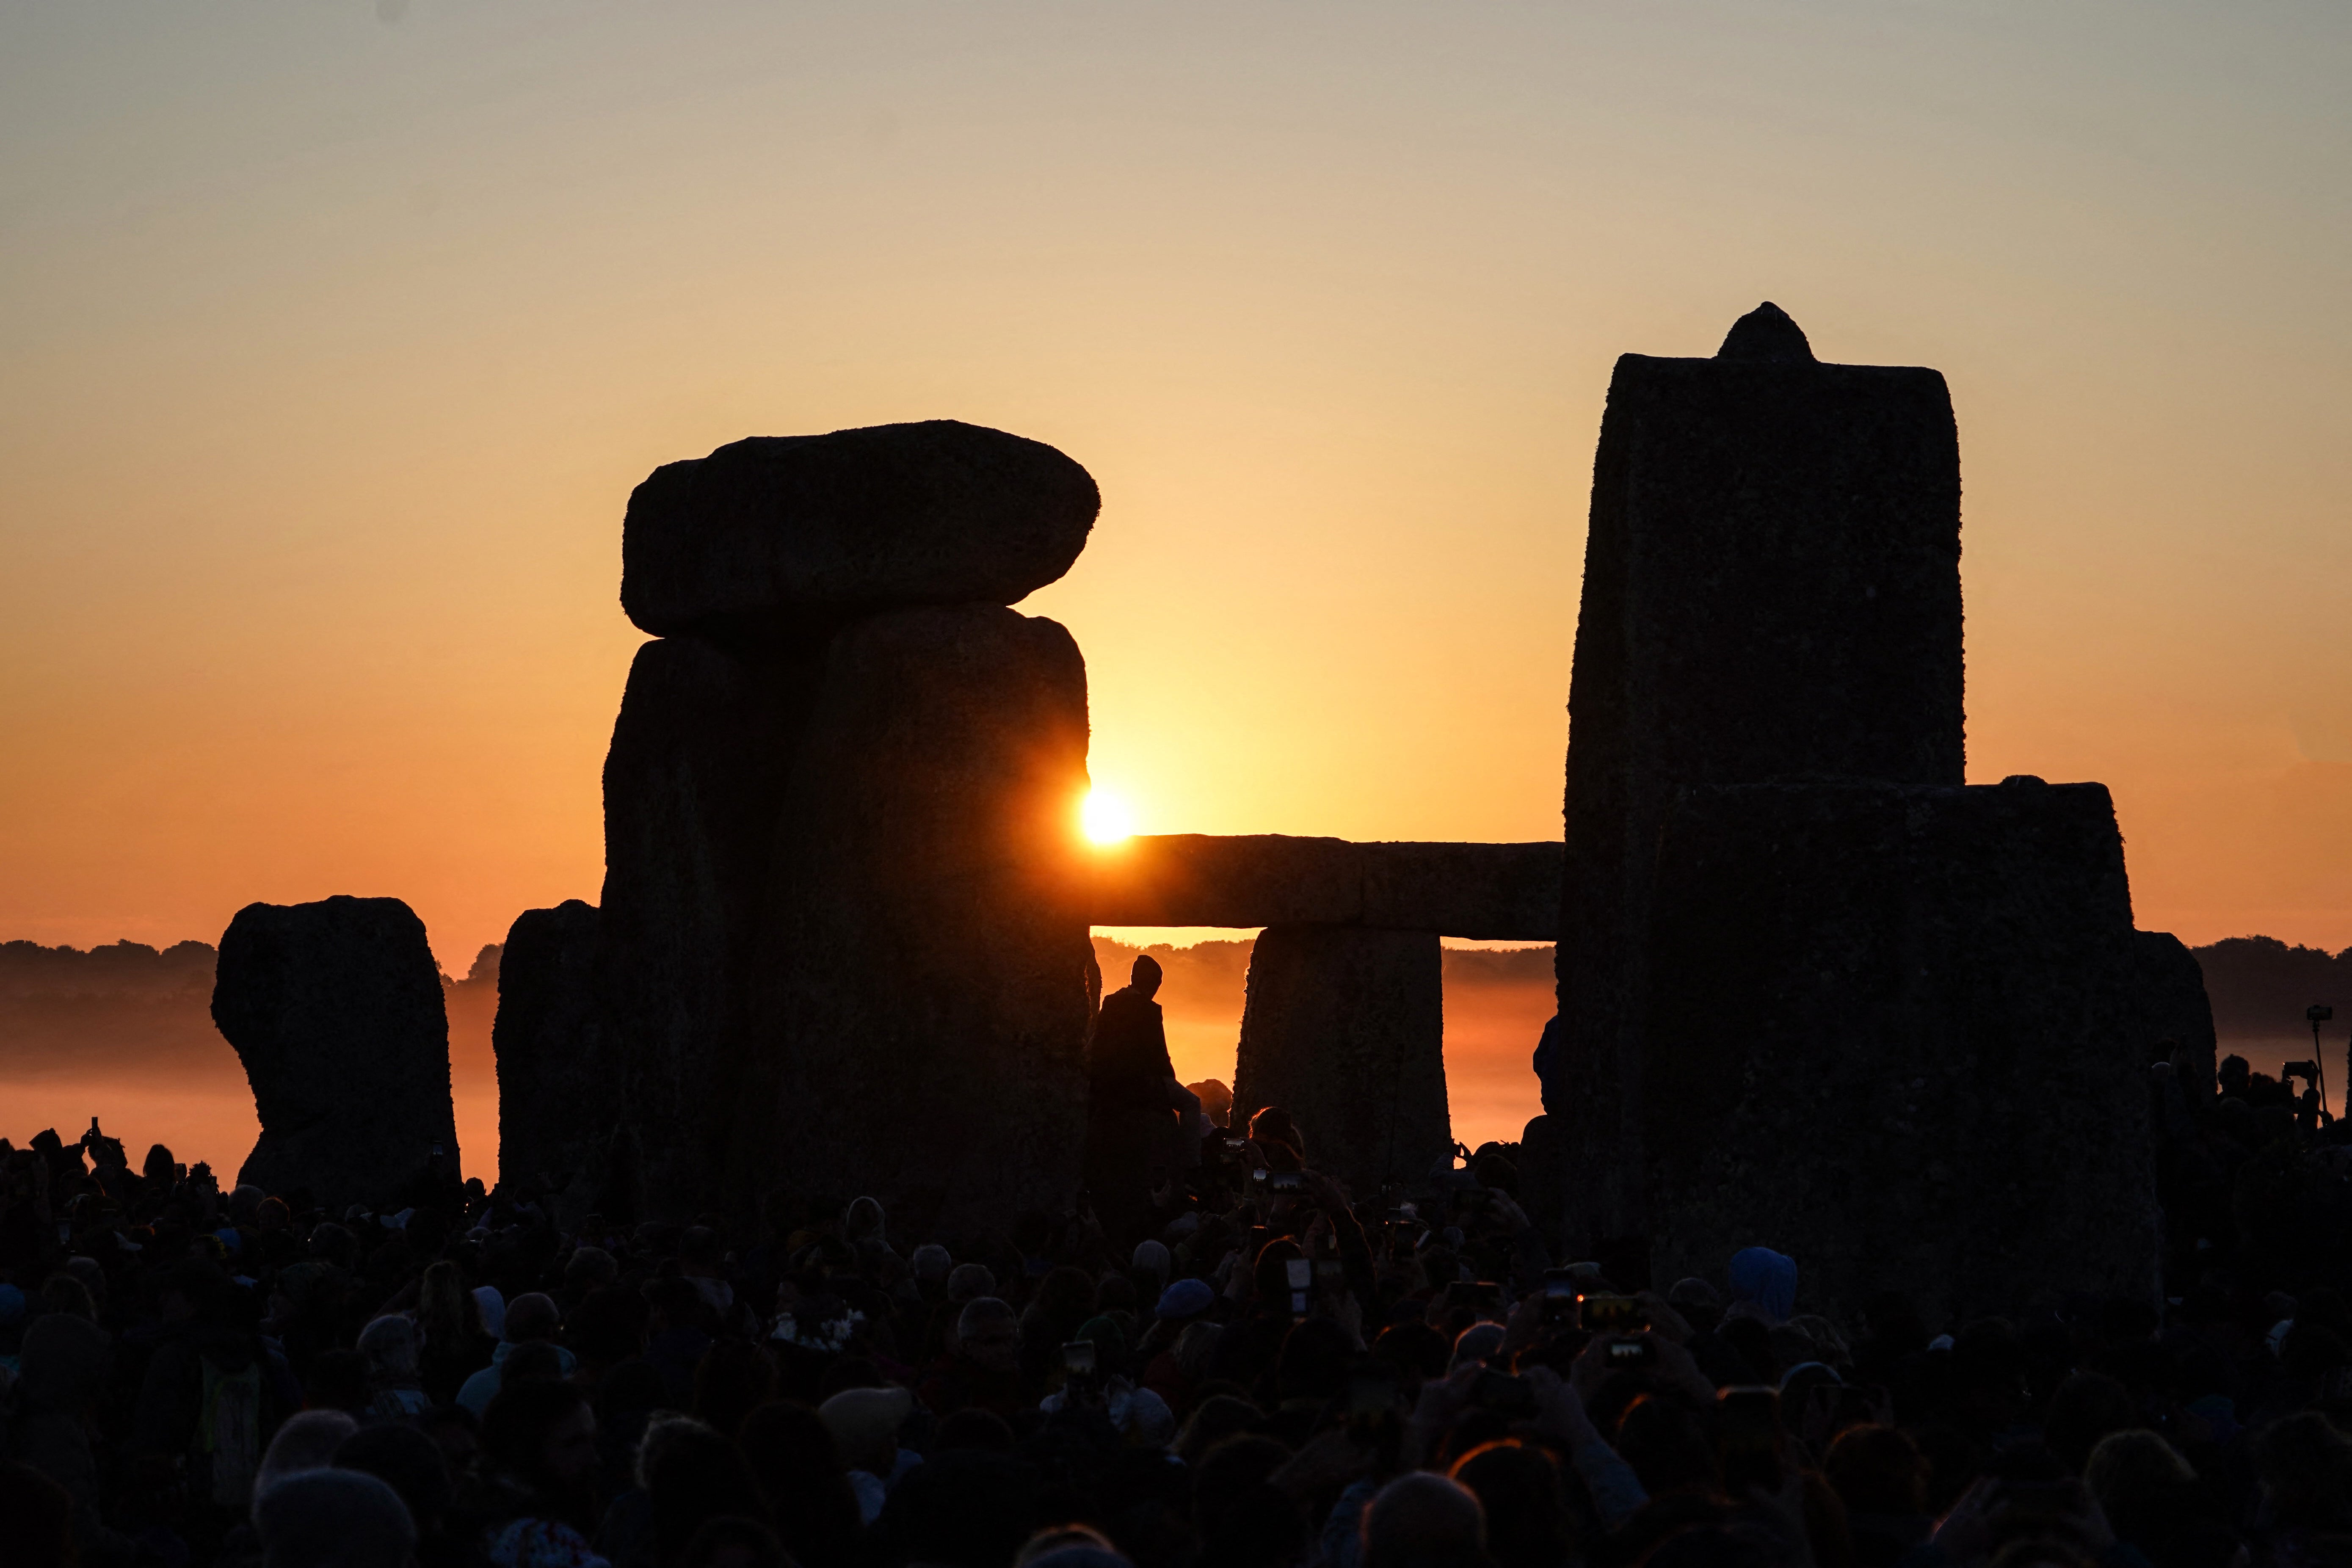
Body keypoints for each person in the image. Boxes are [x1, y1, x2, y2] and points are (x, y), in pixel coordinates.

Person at [1083, 955, 1186, 1241]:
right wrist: (1170, 1081)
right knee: (1192, 1104)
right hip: (1143, 1084)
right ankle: (1192, 1162)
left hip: (1106, 1084)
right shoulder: (1150, 1010)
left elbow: (1098, 1043)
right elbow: (1160, 1055)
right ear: (1154, 984)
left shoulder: (1111, 1002)